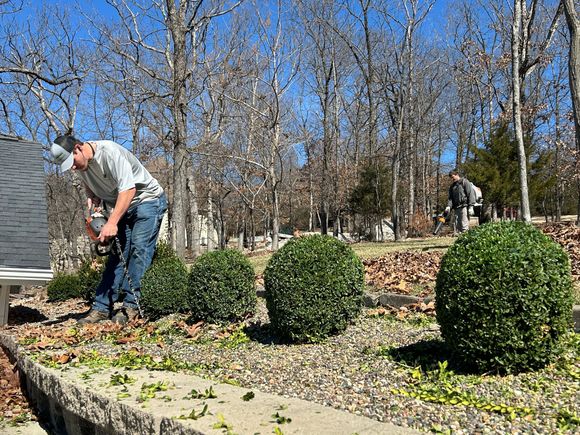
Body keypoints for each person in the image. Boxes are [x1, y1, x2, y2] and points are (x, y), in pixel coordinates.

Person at [50, 135, 167, 325]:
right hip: (123, 206)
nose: (72, 167)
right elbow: (89, 182)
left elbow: (128, 190)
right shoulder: (80, 165)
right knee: (118, 255)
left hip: (147, 200)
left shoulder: (110, 153)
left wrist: (112, 222)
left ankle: (132, 306)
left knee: (139, 249)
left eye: (72, 162)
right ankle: (101, 308)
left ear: (78, 148)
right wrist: (93, 196)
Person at [445, 169, 476, 234]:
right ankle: (460, 240)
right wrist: (448, 206)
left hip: (464, 206)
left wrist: (471, 206)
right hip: (456, 208)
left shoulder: (465, 182)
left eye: (453, 177)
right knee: (457, 225)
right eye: (451, 178)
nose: (452, 179)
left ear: (457, 175)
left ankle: (465, 240)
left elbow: (470, 194)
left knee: (464, 224)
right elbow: (450, 198)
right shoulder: (452, 186)